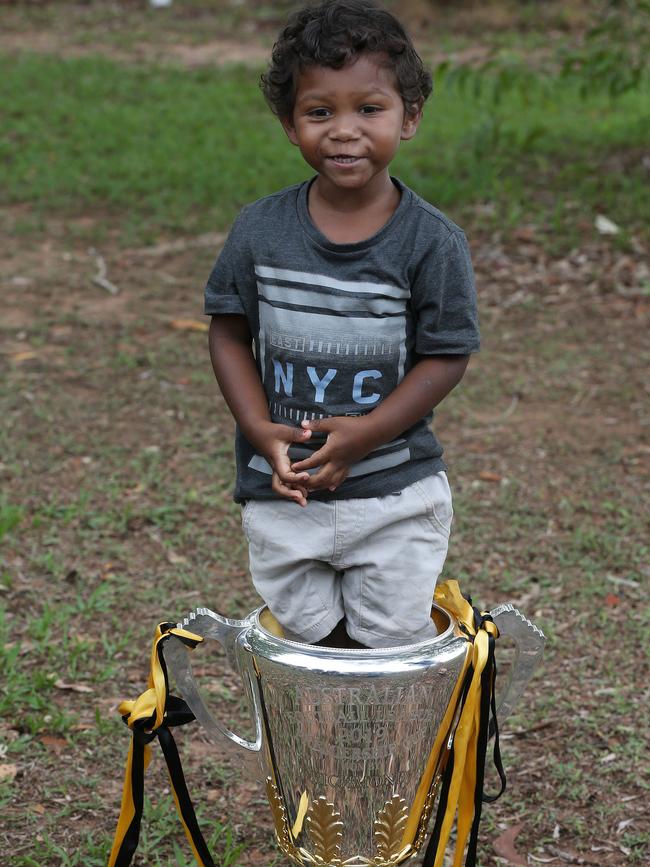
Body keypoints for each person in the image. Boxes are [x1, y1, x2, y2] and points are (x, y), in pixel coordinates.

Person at [204, 0, 479, 649]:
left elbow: (448, 356)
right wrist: (256, 426)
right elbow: (228, 328)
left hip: (392, 495)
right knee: (308, 647)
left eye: (369, 108)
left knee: (388, 648)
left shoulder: (430, 243)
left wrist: (368, 434)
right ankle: (322, 744)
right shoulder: (260, 231)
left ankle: (389, 748)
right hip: (284, 492)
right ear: (289, 123)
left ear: (409, 116)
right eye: (319, 111)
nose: (344, 131)